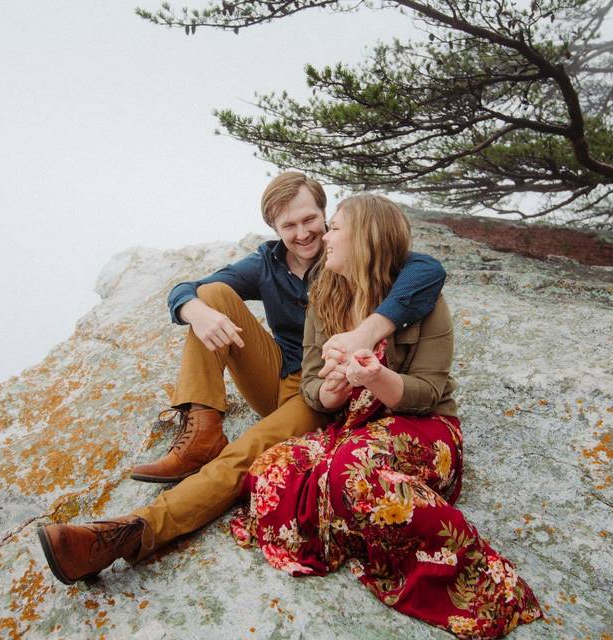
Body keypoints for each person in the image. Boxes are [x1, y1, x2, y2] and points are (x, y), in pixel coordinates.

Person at [37, 173, 447, 584]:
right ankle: (202, 431)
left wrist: (363, 339)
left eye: (312, 220)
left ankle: (128, 534)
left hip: (322, 400)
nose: (304, 234)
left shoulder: (347, 257)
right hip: (288, 379)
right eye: (289, 226)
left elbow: (428, 270)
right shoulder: (270, 265)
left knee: (244, 453)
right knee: (212, 296)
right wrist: (194, 311)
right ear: (274, 228)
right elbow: (187, 289)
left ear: (327, 216)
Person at [229, 194, 542, 638]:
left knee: (352, 470)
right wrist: (334, 390)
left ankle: (462, 577)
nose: (324, 237)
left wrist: (375, 377)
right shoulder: (324, 296)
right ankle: (357, 529)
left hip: (425, 425)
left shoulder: (422, 301)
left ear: (367, 238)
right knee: (275, 468)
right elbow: (314, 386)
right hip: (354, 425)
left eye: (335, 227)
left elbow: (429, 391)